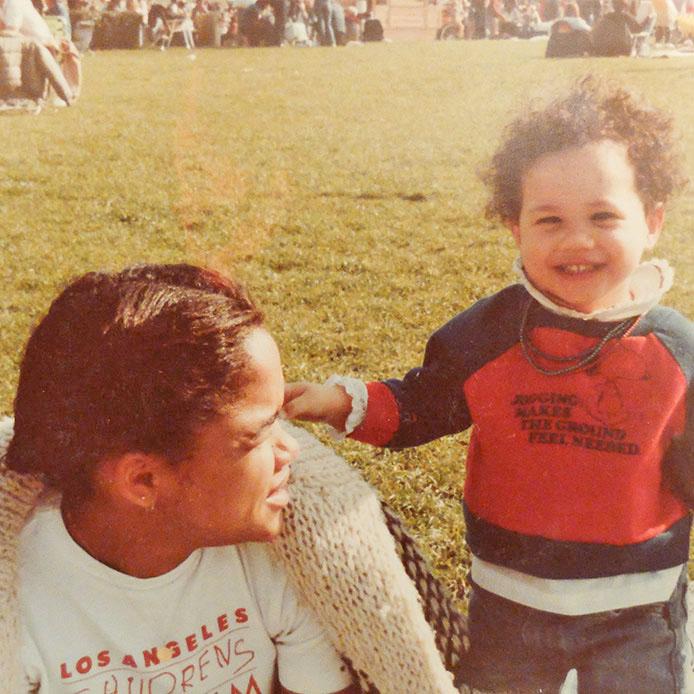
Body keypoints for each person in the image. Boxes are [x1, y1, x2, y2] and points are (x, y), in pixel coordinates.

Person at [284, 76, 693, 693]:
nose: (577, 240)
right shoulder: (490, 334)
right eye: (549, 219)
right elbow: (422, 403)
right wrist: (340, 401)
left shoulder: (677, 352)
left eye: (604, 216)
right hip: (508, 599)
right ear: (514, 226)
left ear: (653, 220)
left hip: (635, 607)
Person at [7, 264, 357, 693]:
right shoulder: (20, 607)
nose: (291, 451)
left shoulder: (280, 557)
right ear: (144, 481)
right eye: (258, 434)